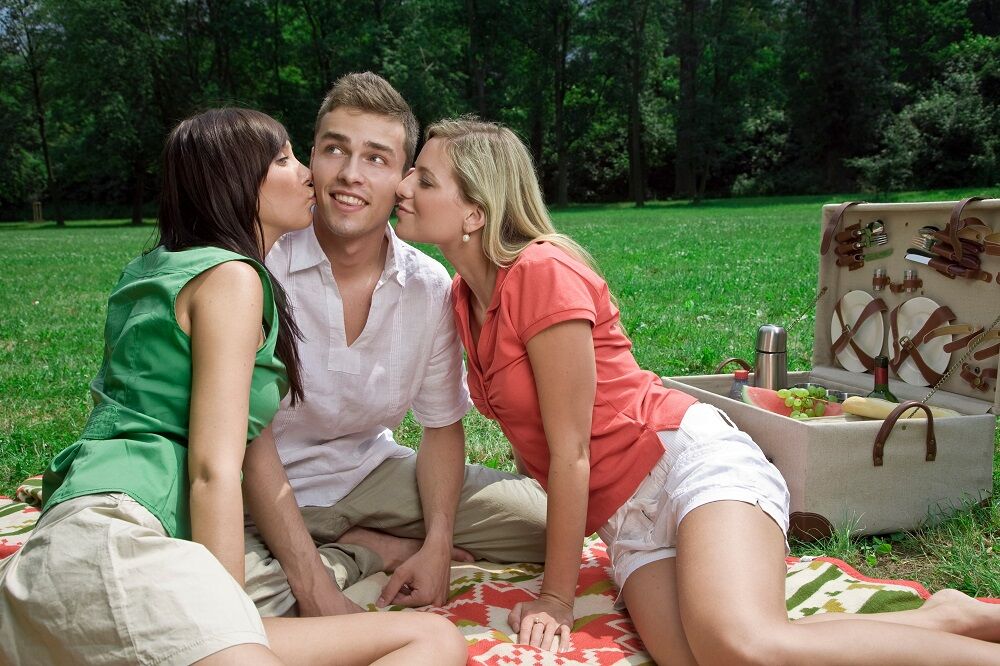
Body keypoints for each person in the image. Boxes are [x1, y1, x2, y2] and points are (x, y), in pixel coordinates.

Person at [393, 117, 1000, 664]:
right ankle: (941, 619)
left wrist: (556, 596)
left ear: (475, 213)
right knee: (705, 659)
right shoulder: (462, 297)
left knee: (741, 645)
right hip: (625, 522)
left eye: (424, 179)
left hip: (686, 466)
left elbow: (571, 451)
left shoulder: (541, 271)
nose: (402, 188)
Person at [0, 108, 467, 666]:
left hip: (91, 546)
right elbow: (213, 472)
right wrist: (229, 614)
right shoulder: (234, 278)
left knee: (435, 638)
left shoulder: (159, 268)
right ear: (240, 183)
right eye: (285, 160)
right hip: (115, 543)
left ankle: (354, 555)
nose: (310, 175)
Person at [242, 72, 546, 618]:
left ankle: (350, 543)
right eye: (335, 150)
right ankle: (363, 552)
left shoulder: (428, 286)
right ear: (312, 159)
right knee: (235, 601)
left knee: (543, 526)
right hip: (261, 489)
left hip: (369, 475)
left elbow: (441, 426)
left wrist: (438, 544)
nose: (350, 174)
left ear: (403, 182)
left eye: (376, 159)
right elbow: (241, 442)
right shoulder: (261, 266)